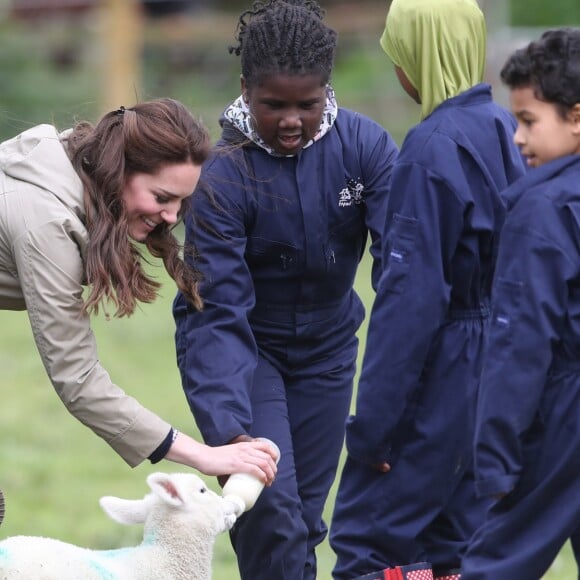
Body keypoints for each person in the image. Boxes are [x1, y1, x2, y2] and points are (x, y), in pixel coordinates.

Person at [172, 1, 399, 577]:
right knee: (269, 508)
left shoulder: (365, 149)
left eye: (308, 103)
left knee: (306, 516)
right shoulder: (221, 175)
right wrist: (231, 432)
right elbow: (215, 312)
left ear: (328, 89)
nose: (292, 119)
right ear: (246, 90)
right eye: (274, 105)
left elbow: (403, 262)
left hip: (328, 351)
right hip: (249, 352)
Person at [329, 1, 526, 579]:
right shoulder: (509, 129)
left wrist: (373, 429)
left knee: (371, 544)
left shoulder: (430, 147)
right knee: (456, 545)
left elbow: (410, 301)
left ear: (417, 53)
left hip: (443, 368)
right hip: (499, 369)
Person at [0, 98, 278, 487]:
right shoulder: (46, 222)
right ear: (119, 170)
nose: (172, 216)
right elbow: (77, 380)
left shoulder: (73, 164)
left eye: (181, 202)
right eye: (163, 197)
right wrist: (203, 455)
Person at [461, 27, 580, 579]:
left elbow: (520, 339)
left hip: (563, 412)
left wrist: (497, 454)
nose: (516, 138)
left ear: (576, 117)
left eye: (529, 121)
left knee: (497, 562)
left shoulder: (542, 208)